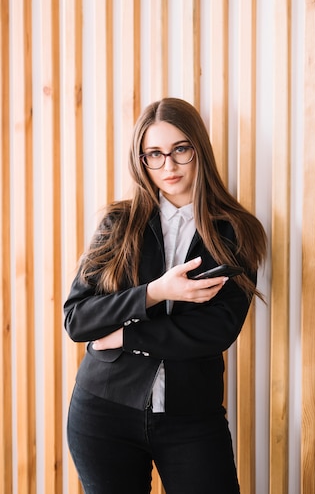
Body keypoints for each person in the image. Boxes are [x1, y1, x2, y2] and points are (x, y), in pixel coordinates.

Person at [64, 97, 267, 494]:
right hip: (102, 411)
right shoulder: (118, 223)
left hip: (191, 418)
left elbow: (215, 331)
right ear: (141, 159)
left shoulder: (235, 231)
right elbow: (78, 319)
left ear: (198, 150)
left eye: (180, 150)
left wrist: (126, 335)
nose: (168, 166)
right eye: (154, 154)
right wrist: (155, 293)